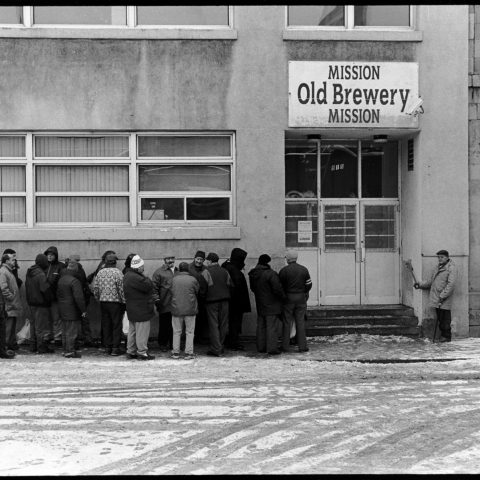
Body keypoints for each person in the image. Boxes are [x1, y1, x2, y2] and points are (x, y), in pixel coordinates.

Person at [414, 249, 458, 342]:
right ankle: (443, 336)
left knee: (445, 318)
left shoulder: (451, 268)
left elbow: (451, 284)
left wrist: (443, 296)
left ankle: (446, 337)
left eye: (442, 257)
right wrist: (420, 284)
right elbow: (431, 281)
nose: (440, 259)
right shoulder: (438, 267)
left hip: (444, 298)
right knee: (440, 317)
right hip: (437, 297)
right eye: (438, 257)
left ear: (447, 257)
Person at [248, 254, 286, 355]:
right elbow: (277, 289)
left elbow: (253, 289)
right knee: (271, 327)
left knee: (261, 326)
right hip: (272, 304)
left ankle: (261, 347)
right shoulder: (270, 274)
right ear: (268, 262)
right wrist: (283, 297)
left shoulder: (253, 274)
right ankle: (272, 348)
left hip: (260, 303)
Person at [279, 250, 312, 353]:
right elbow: (309, 284)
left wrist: (284, 296)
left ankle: (285, 346)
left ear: (288, 259)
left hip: (288, 298)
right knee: (300, 322)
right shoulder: (304, 269)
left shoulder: (284, 271)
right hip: (301, 297)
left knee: (287, 321)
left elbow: (280, 286)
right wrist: (304, 292)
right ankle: (302, 346)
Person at [93, 253, 126, 356]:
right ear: (115, 262)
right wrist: (124, 301)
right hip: (115, 303)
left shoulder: (100, 273)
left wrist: (98, 298)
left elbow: (95, 288)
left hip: (103, 302)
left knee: (106, 324)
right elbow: (121, 289)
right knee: (116, 325)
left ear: (106, 262)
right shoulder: (118, 273)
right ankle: (115, 348)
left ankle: (107, 347)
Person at [124, 255, 155, 360]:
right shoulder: (138, 278)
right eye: (142, 266)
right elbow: (149, 286)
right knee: (142, 332)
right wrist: (146, 277)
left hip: (132, 309)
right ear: (137, 267)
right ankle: (142, 352)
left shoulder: (128, 275)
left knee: (132, 332)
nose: (143, 268)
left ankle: (131, 351)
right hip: (141, 309)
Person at [222, 248, 251, 351]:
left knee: (231, 323)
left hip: (230, 301)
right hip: (236, 303)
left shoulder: (228, 267)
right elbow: (237, 288)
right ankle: (233, 342)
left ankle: (231, 341)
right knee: (235, 323)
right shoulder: (235, 270)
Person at [57, 259, 87, 358]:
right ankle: (70, 351)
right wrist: (83, 310)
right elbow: (79, 297)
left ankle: (65, 349)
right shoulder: (75, 281)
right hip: (72, 310)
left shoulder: (61, 279)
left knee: (65, 331)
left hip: (62, 308)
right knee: (71, 331)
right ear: (76, 270)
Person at [25, 254, 54, 354]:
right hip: (41, 303)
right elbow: (45, 289)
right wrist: (50, 299)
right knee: (40, 327)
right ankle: (41, 347)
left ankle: (33, 346)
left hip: (31, 303)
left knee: (33, 326)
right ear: (43, 262)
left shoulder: (30, 272)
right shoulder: (40, 274)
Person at [170, 262, 200, 360]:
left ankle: (175, 353)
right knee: (190, 332)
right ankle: (188, 353)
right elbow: (197, 291)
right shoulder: (193, 279)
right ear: (188, 270)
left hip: (176, 309)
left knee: (176, 331)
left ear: (179, 269)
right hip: (190, 309)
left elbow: (170, 291)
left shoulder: (173, 280)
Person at [205, 252, 232, 357]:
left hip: (211, 302)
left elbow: (203, 288)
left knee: (213, 325)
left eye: (207, 260)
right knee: (223, 324)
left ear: (210, 261)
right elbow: (230, 285)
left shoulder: (206, 272)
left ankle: (216, 349)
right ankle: (220, 345)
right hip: (225, 301)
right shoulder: (225, 271)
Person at [63, 254, 93, 347]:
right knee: (81, 321)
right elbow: (81, 288)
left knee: (72, 324)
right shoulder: (78, 272)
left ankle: (72, 343)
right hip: (78, 300)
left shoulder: (65, 272)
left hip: (71, 301)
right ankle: (82, 340)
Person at [152, 255, 178, 352]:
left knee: (175, 326)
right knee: (164, 325)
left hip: (176, 304)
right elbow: (154, 288)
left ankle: (173, 344)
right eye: (168, 258)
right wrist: (157, 300)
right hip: (164, 303)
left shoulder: (178, 271)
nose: (170, 260)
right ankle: (162, 344)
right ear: (164, 260)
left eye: (172, 258)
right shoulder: (158, 272)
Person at [188, 250, 213, 344]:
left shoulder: (206, 269)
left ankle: (199, 337)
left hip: (202, 298)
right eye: (198, 259)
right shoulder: (189, 268)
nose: (199, 261)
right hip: (191, 298)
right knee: (191, 319)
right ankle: (191, 338)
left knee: (201, 318)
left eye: (201, 259)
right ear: (194, 258)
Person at [0, 252, 23, 352]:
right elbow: (4, 288)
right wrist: (11, 298)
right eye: (12, 259)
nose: (14, 261)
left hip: (12, 304)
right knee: (8, 328)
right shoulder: (4, 272)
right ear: (6, 261)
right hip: (8, 305)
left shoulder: (8, 271)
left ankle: (9, 346)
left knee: (11, 327)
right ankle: (5, 348)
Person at [44, 246, 66, 346]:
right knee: (47, 317)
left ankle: (57, 337)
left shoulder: (60, 266)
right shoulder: (44, 265)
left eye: (52, 255)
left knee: (56, 318)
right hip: (44, 297)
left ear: (55, 256)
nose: (49, 256)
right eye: (48, 255)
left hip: (55, 297)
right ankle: (47, 336)